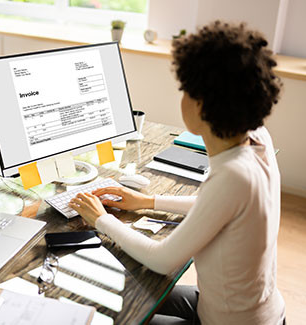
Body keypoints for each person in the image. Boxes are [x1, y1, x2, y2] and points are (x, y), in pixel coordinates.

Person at [69, 21, 285, 325]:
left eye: (185, 90)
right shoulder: (257, 137)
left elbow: (162, 259)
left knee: (113, 312)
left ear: (200, 105)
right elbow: (220, 209)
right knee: (117, 288)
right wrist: (147, 201)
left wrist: (101, 220)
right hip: (250, 310)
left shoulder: (234, 176)